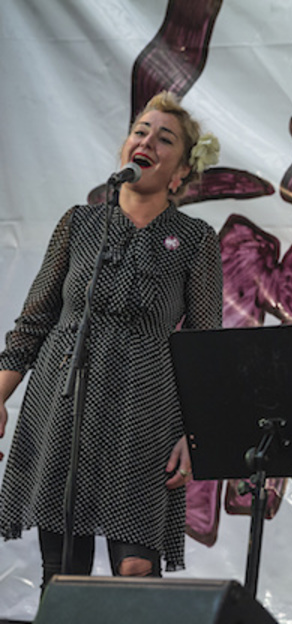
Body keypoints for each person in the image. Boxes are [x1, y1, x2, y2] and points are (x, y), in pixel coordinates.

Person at [0, 92, 222, 588]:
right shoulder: (79, 223)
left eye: (164, 139)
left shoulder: (194, 239)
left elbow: (206, 347)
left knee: (136, 569)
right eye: (140, 131)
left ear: (181, 172)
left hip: (145, 413)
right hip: (64, 402)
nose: (147, 141)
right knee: (63, 570)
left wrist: (195, 434)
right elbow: (34, 322)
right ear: (125, 148)